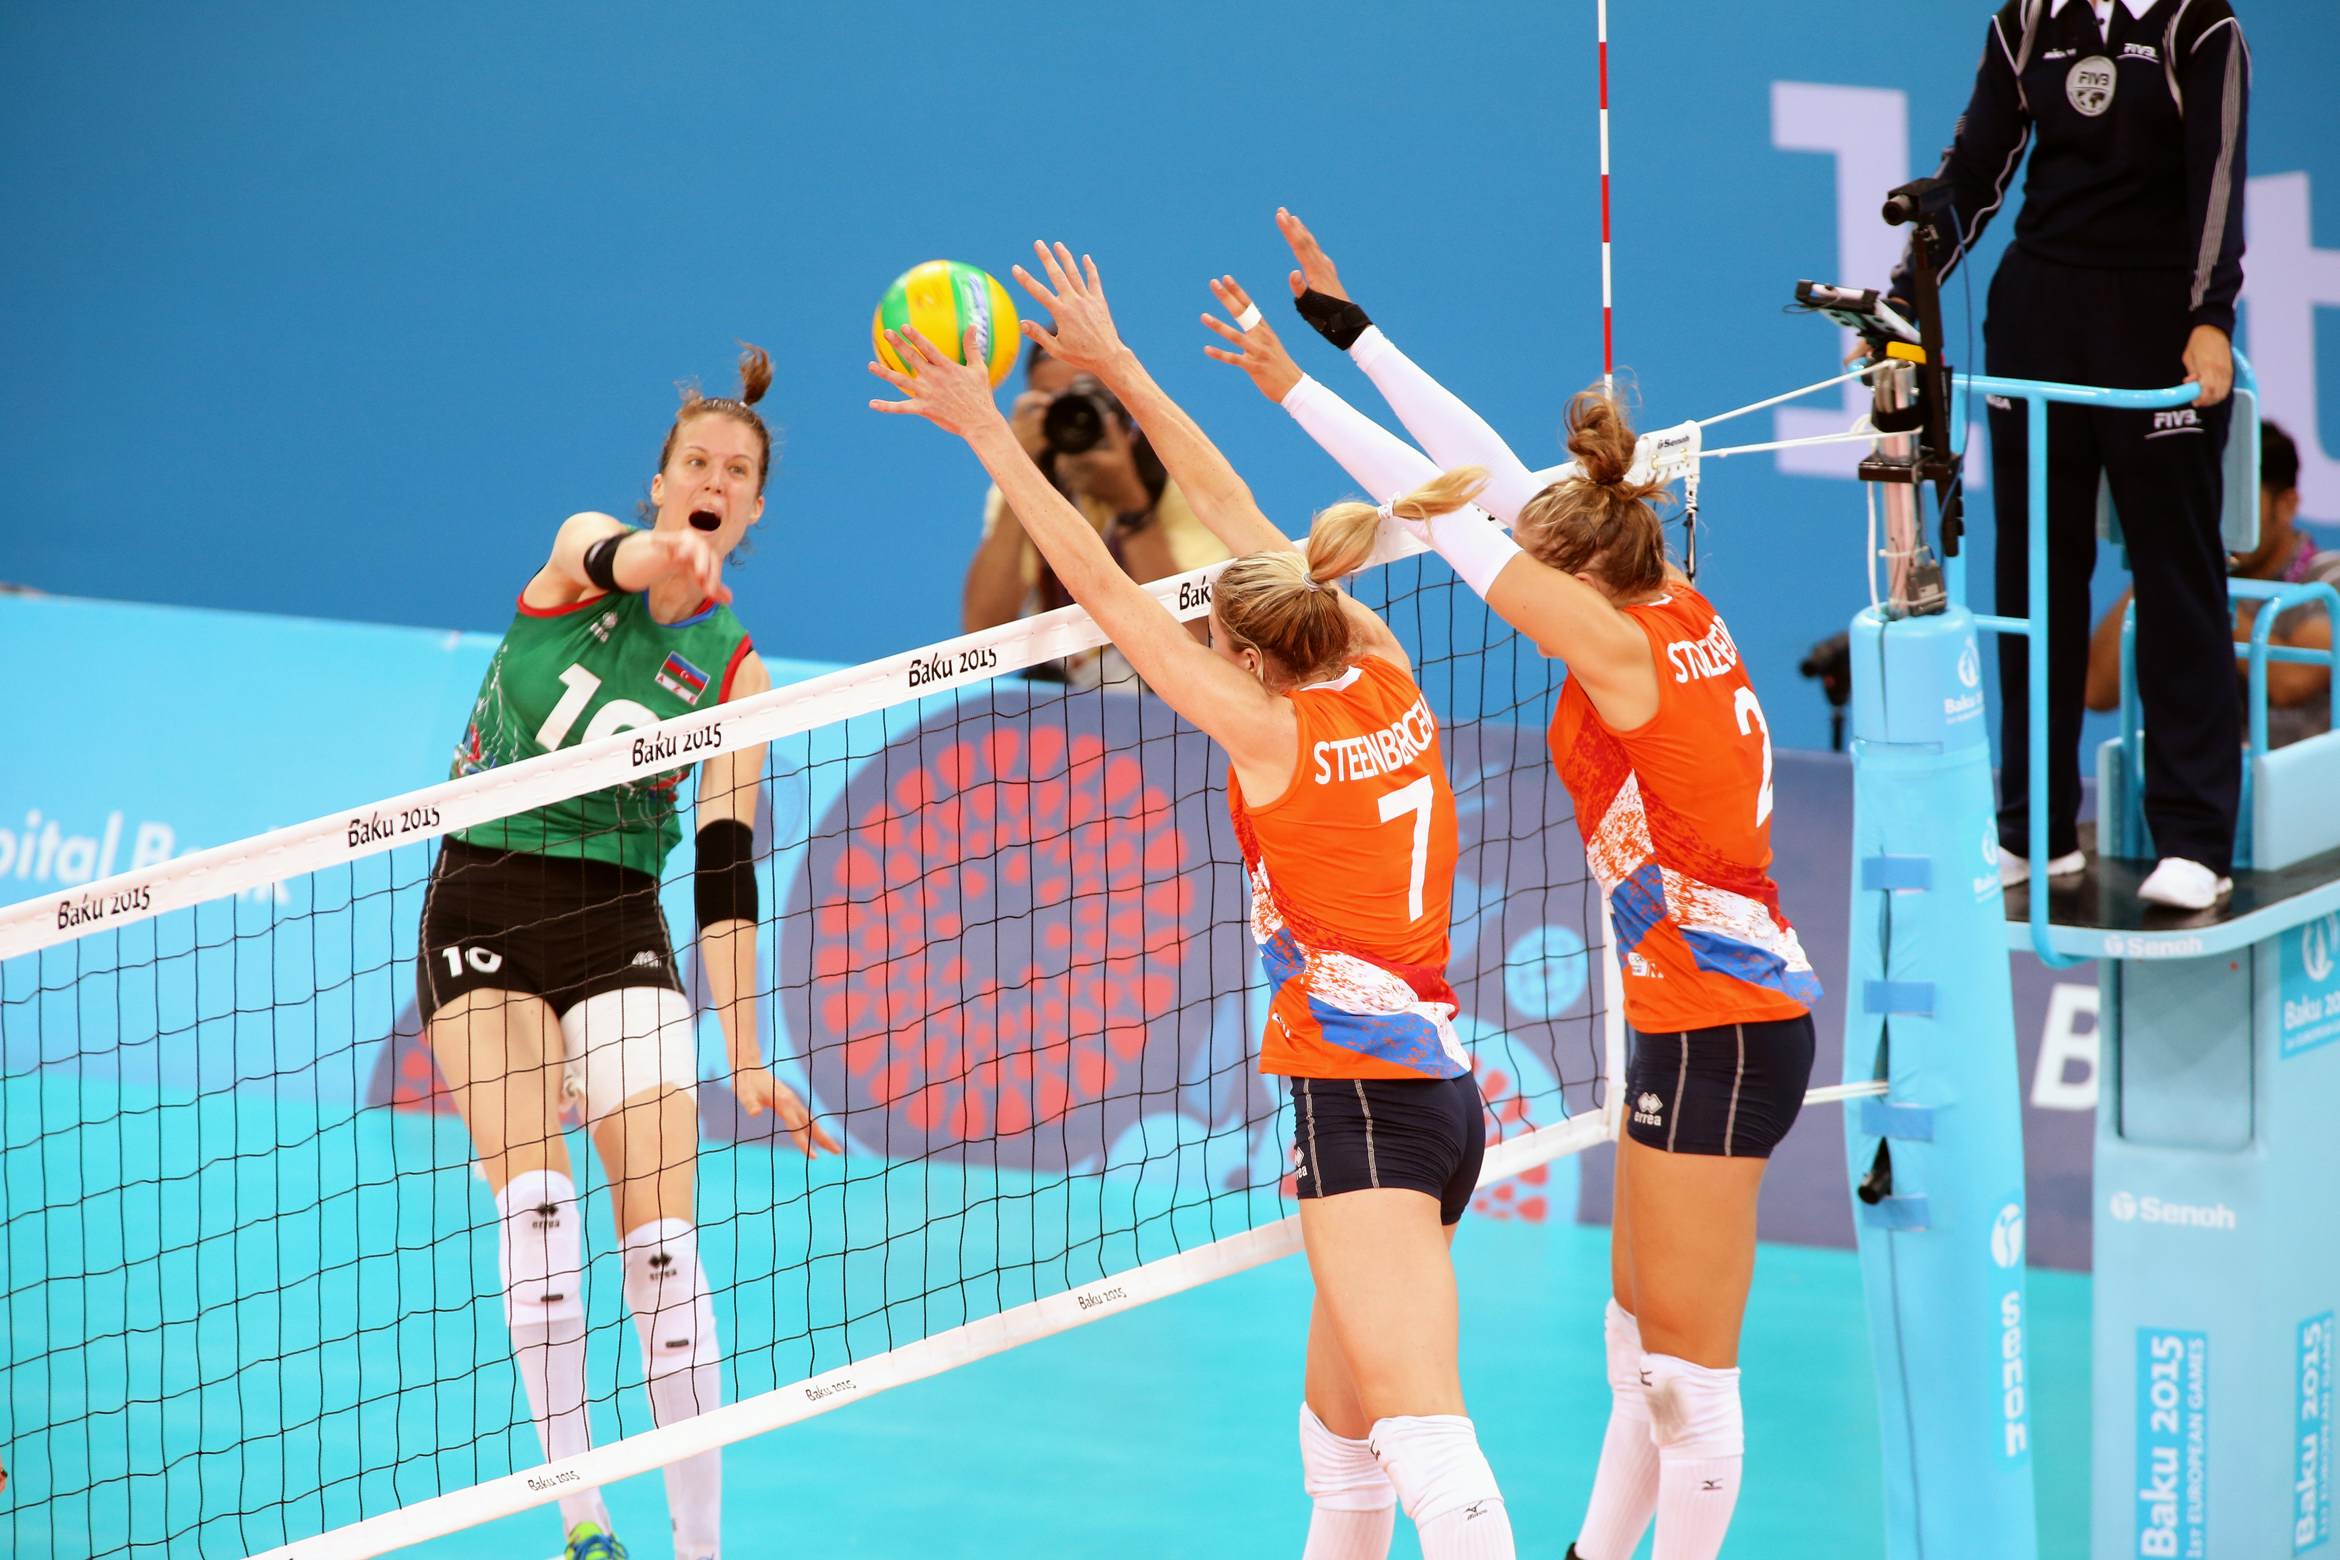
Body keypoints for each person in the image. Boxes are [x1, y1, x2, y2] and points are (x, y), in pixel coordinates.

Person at [873, 241, 1518, 1560]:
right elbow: (1236, 511)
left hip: (1366, 1103)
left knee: (1431, 1459)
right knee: (1341, 1456)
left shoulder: (1267, 733)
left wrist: (994, 435)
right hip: (1438, 1098)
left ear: (1244, 655)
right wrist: (1121, 369)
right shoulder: (1382, 666)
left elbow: (1104, 586)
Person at [1204, 215, 1820, 1560]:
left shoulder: (1615, 648)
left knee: (1687, 1384)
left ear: (1579, 577)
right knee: (1635, 1352)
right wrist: (1343, 343)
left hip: (1723, 1021)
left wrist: (1306, 394)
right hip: (1695, 1015)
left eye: (1543, 560)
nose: (1525, 562)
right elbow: (1484, 484)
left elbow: (1447, 514)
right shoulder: (1666, 592)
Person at [419, 346, 840, 1560]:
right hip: (484, 903)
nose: (713, 480)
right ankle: (583, 1517)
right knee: (541, 1213)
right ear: (662, 483)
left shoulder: (738, 673)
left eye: (737, 473)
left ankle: (700, 1548)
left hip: (617, 924)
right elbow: (615, 557)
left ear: (754, 509)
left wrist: (747, 1054)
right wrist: (661, 560)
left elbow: (725, 868)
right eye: (696, 462)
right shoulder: (578, 553)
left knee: (662, 1253)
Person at [1893, 0, 2252, 909]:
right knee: (2033, 581)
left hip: (2158, 324)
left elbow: (2218, 177)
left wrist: (2210, 316)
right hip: (2037, 316)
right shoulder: (2025, 20)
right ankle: (2034, 830)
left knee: (2176, 579)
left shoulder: (2199, 25)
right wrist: (1904, 298)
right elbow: (1975, 170)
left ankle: (2196, 841)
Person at [961, 341, 1229, 684]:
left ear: (1119, 400)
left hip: (1168, 687)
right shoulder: (1023, 478)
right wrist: (1015, 470)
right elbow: (982, 630)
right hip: (1066, 696)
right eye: (1051, 401)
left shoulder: (1176, 474)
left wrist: (1131, 505)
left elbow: (1198, 637)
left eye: (1083, 394)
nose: (1071, 412)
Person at [2086, 419, 2338, 746]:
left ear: (2286, 505)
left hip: (2307, 776)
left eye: (2236, 507)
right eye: (2209, 502)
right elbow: (2096, 691)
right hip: (2214, 773)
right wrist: (2163, 566)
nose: (2218, 522)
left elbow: (2290, 681)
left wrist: (2202, 585)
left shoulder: (2328, 578)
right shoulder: (2188, 575)